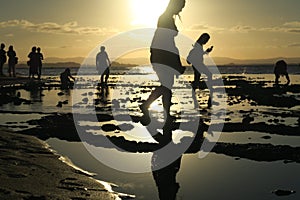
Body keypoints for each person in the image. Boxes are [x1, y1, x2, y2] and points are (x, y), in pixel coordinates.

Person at [139, 0, 186, 125]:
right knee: (166, 86)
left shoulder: (167, 18)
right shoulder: (166, 18)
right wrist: (176, 63)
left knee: (167, 86)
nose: (181, 10)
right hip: (162, 56)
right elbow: (168, 42)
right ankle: (147, 105)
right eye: (181, 7)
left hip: (160, 55)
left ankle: (163, 112)